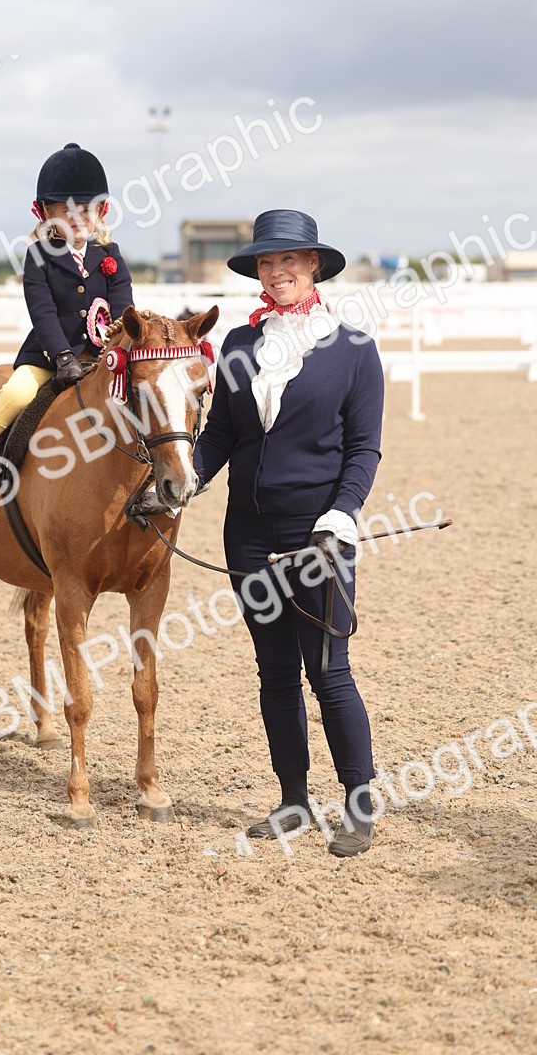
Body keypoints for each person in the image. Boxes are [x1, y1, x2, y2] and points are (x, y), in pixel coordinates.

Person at [192, 209, 384, 858]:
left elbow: (363, 447)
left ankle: (359, 801)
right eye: (267, 264)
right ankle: (293, 800)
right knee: (274, 671)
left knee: (328, 669)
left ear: (313, 267)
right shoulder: (239, 347)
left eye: (289, 262)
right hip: (246, 530)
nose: (277, 273)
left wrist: (343, 512)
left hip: (317, 531)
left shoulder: (353, 349)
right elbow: (221, 430)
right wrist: (190, 477)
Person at [0, 142, 134, 497]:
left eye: (87, 209)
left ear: (101, 211)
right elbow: (43, 311)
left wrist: (118, 343)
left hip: (102, 357)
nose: (78, 217)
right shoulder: (39, 256)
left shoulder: (110, 255)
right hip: (51, 358)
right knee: (17, 392)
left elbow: (124, 306)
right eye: (67, 209)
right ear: (47, 213)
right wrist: (62, 356)